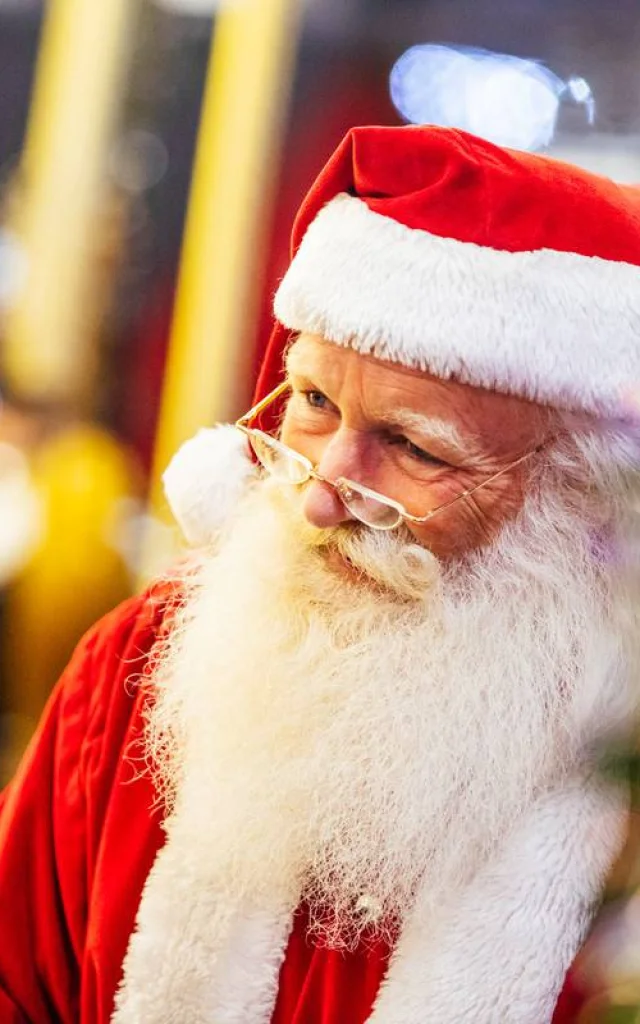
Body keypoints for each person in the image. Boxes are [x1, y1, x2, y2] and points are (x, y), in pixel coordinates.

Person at [1, 125, 640, 1024]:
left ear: (580, 501)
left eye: (413, 447)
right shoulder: (142, 666)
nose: (317, 499)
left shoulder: (624, 791)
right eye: (312, 402)